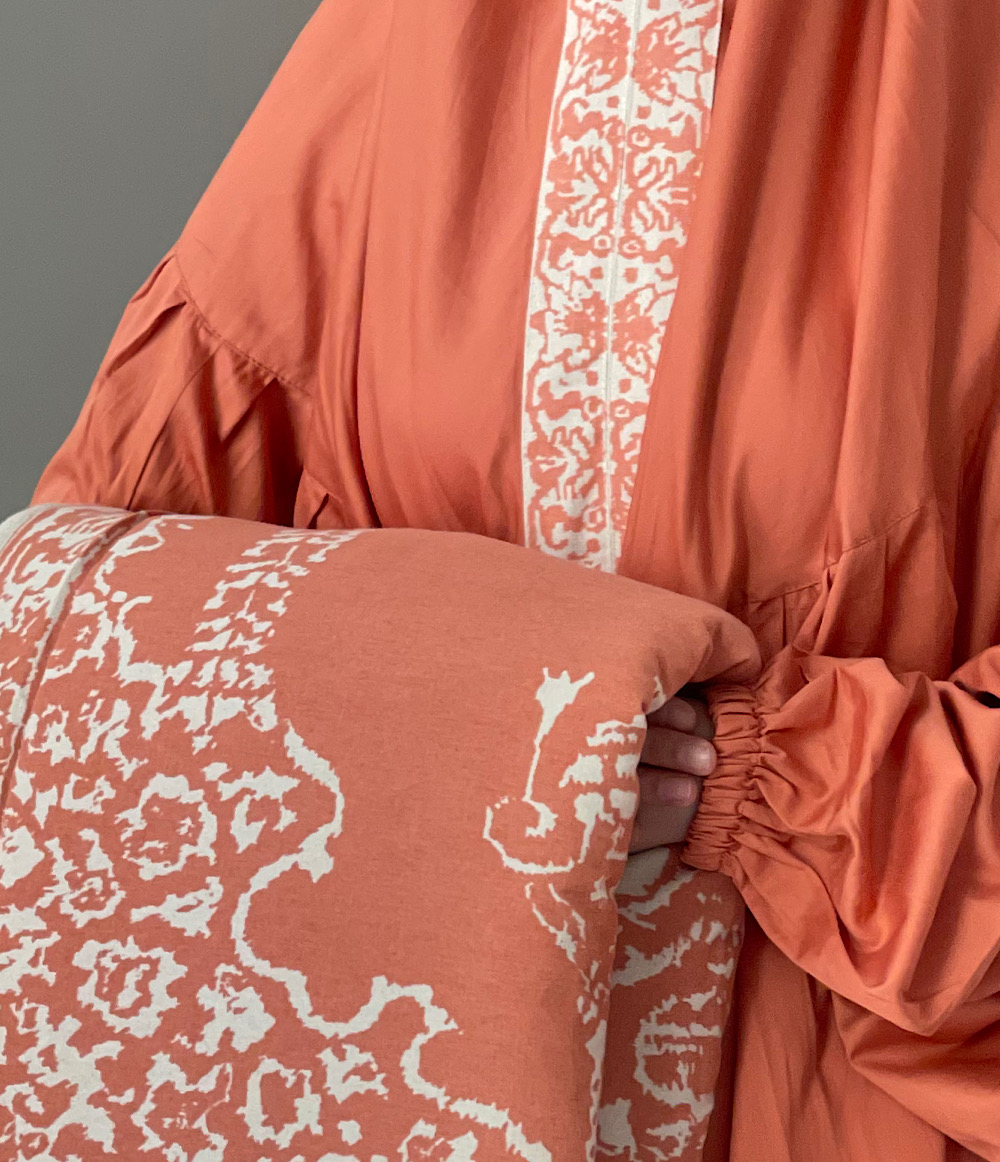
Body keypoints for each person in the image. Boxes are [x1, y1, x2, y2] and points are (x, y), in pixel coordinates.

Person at [31, 0, 1000, 1158]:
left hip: (811, 1092)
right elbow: (92, 628)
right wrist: (447, 719)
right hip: (392, 1060)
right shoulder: (408, 39)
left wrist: (773, 778)